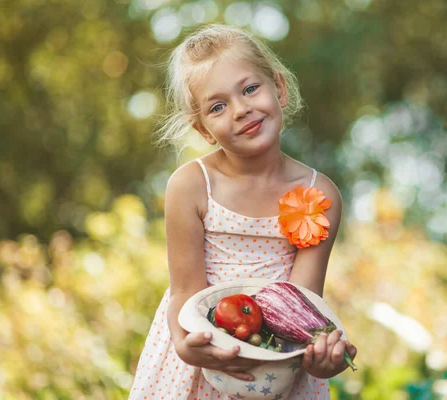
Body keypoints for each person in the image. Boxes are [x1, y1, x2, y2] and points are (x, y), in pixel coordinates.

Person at [129, 24, 356, 400]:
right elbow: (184, 291)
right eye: (218, 107)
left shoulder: (319, 194)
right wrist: (187, 348)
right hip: (202, 358)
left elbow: (303, 304)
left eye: (250, 89)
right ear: (203, 129)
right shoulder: (191, 186)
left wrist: (319, 357)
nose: (241, 110)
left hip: (280, 364)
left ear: (279, 88)